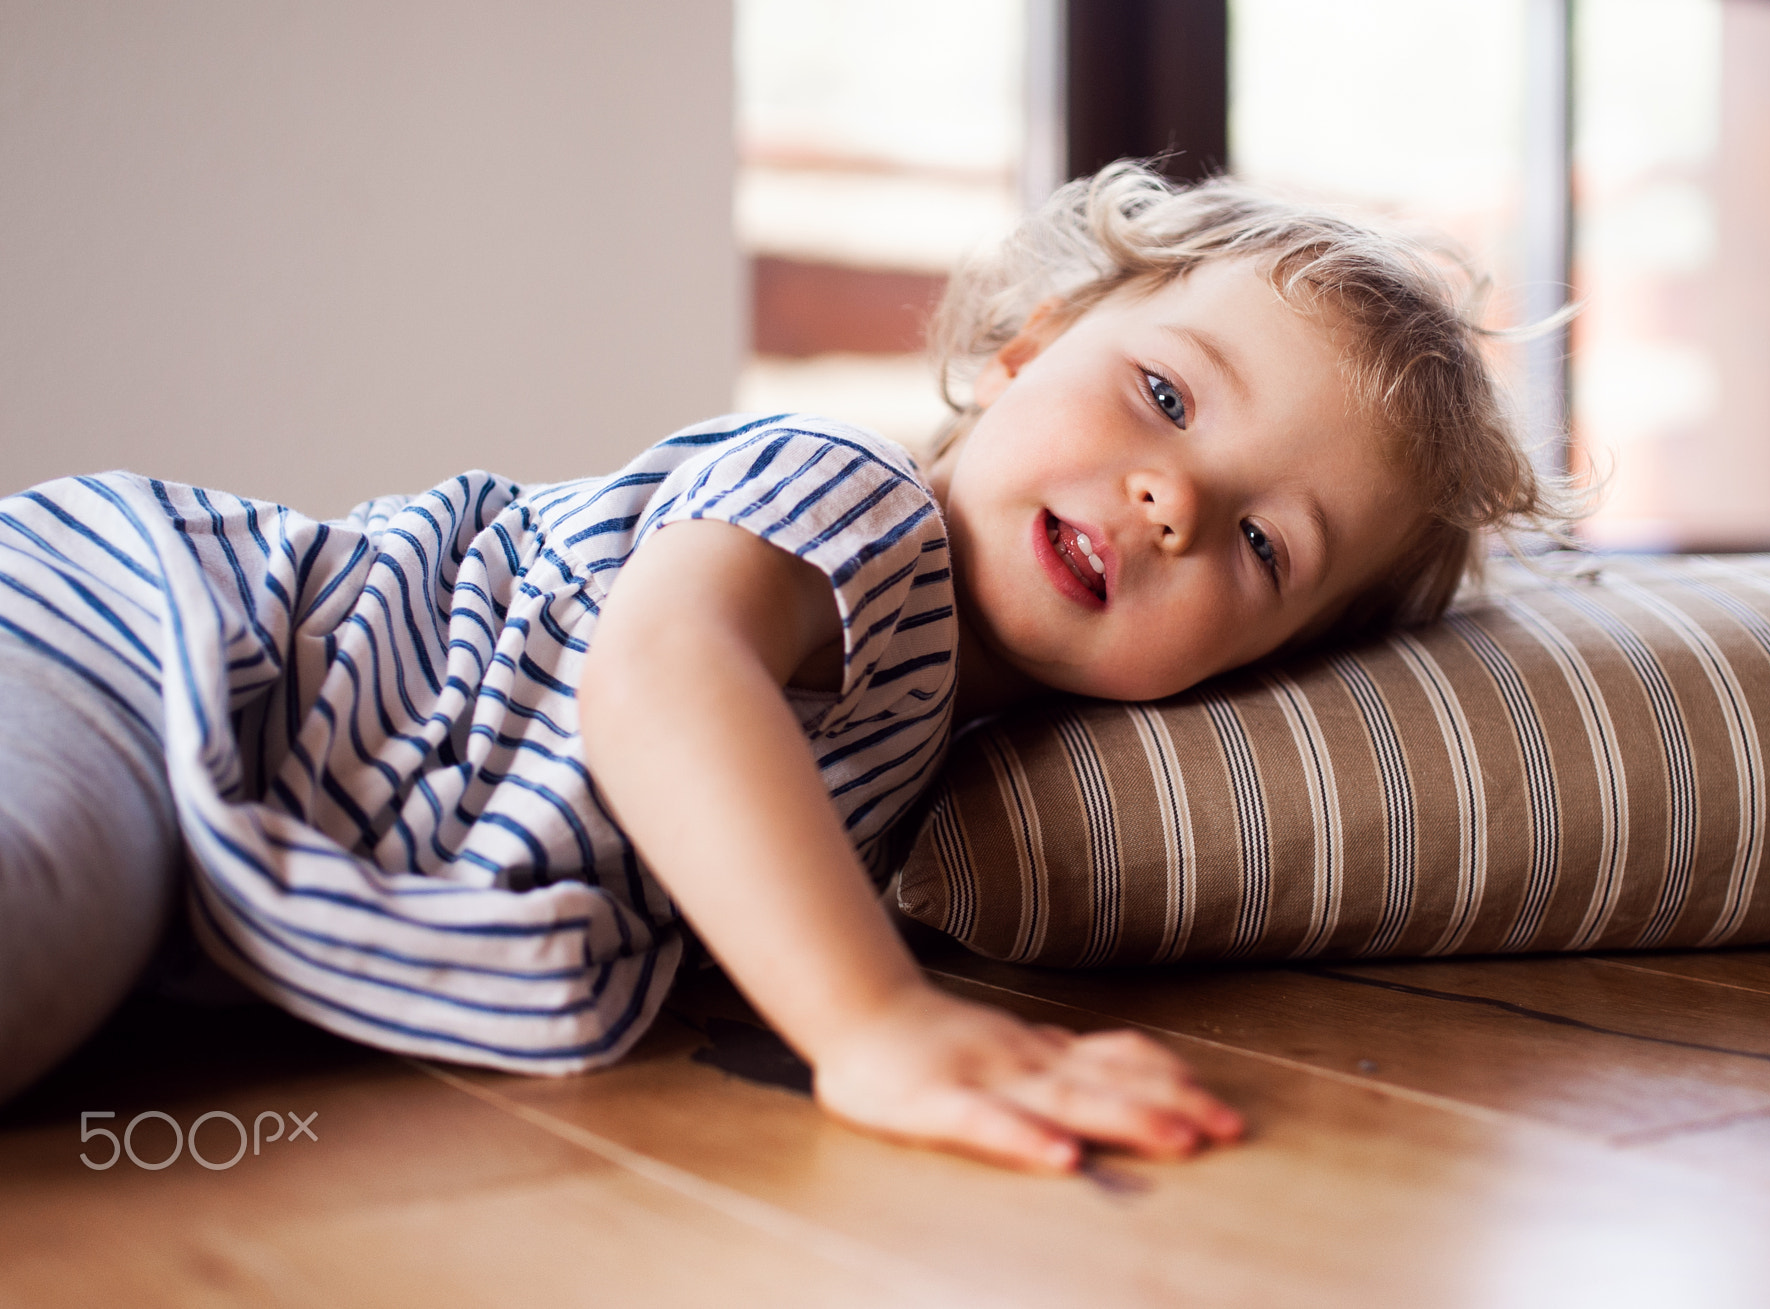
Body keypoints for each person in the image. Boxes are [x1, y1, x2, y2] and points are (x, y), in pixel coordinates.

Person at [0, 162, 1565, 1170]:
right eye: (1161, 393)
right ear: (1028, 348)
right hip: (143, 651)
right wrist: (870, 1019)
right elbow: (663, 673)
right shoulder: (847, 491)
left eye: (1263, 548)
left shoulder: (958, 739)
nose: (1175, 499)